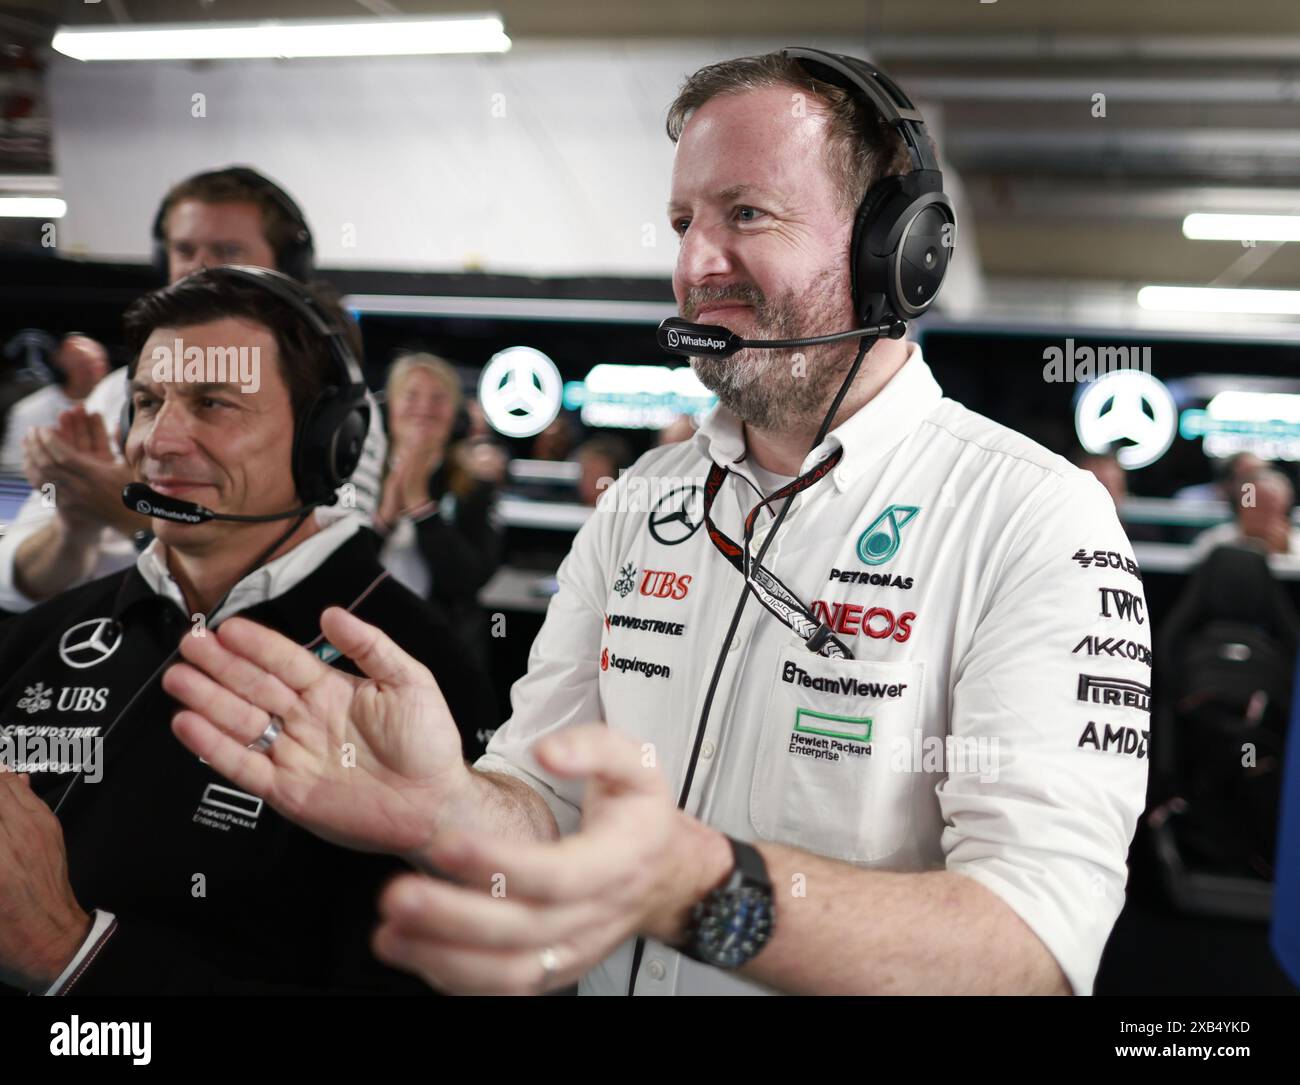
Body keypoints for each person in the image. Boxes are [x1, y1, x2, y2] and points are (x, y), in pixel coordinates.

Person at [164, 50, 1149, 997]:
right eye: (681, 221)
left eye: (745, 215)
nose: (694, 264)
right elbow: (544, 811)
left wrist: (693, 887)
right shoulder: (642, 499)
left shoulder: (1034, 519)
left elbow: (1030, 947)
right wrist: (450, 802)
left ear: (896, 250)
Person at [0, 267, 495, 995]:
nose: (159, 441)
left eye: (213, 404)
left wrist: (71, 956)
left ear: (328, 442)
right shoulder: (42, 634)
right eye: (147, 401)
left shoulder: (419, 678)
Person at [0, 165, 387, 613]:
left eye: (227, 249)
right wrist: (74, 528)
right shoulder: (115, 393)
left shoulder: (328, 396)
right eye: (184, 248)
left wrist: (132, 513)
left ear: (287, 267)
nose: (199, 266)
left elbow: (338, 568)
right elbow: (14, 582)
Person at [370, 352, 505, 653]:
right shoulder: (358, 476)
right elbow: (341, 575)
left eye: (438, 398)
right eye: (412, 395)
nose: (424, 408)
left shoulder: (475, 486)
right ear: (388, 407)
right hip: (362, 646)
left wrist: (421, 506)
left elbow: (469, 580)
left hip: (443, 654)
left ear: (455, 416)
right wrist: (383, 519)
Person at [0, 334, 108, 474]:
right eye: (85, 366)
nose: (96, 371)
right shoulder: (29, 411)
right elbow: (14, 466)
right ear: (63, 371)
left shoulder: (119, 403)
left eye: (100, 363)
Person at [1190, 467, 1300, 569]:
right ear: (1239, 507)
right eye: (1256, 505)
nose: (1262, 514)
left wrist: (1283, 553)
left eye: (1270, 507)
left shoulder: (1296, 543)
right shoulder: (1215, 541)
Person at [573, 435, 631, 507]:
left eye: (596, 474)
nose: (588, 480)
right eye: (586, 473)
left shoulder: (627, 513)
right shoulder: (566, 509)